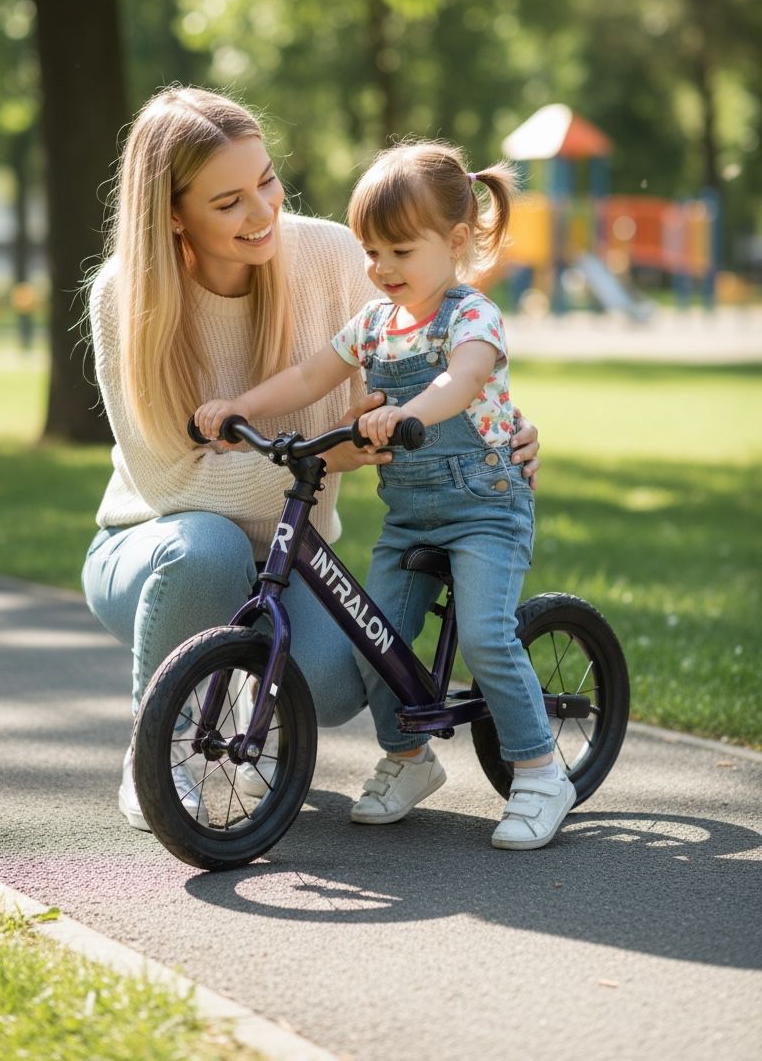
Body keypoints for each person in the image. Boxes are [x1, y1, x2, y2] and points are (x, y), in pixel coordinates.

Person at [81, 87, 541, 833]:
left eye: (266, 180)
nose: (261, 212)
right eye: (227, 202)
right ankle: (157, 751)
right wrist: (329, 462)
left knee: (338, 681)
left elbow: (443, 356)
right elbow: (170, 482)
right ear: (173, 213)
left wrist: (508, 431)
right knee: (209, 547)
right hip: (155, 543)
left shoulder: (335, 257)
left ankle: (240, 688)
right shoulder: (123, 296)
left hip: (292, 551)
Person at [195, 140, 574, 851]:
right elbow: (309, 377)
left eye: (400, 251)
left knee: (489, 635)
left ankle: (541, 769)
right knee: (374, 642)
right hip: (412, 516)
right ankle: (408, 759)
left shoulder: (472, 318)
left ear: (456, 242)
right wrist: (237, 408)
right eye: (372, 252)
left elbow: (459, 383)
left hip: (486, 508)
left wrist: (406, 415)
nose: (381, 269)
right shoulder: (372, 324)